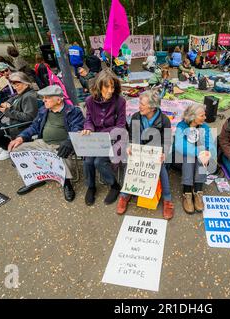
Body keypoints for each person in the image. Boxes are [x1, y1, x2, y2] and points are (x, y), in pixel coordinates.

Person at [8, 85, 84, 202]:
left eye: (47, 98)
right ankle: (35, 179)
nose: (43, 100)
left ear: (58, 100)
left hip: (61, 145)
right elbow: (34, 126)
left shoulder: (73, 111)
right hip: (43, 142)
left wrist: (69, 141)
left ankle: (66, 183)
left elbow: (77, 129)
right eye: (43, 98)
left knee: (62, 155)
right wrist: (21, 137)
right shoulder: (44, 110)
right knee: (16, 150)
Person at [116, 90, 175, 219]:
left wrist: (164, 152)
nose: (139, 106)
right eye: (139, 103)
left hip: (155, 152)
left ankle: (167, 199)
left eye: (142, 104)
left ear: (153, 107)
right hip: (140, 150)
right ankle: (125, 195)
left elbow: (167, 140)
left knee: (161, 168)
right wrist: (131, 146)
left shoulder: (164, 120)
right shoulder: (136, 117)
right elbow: (132, 136)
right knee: (129, 163)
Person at [82, 70, 126, 206]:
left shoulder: (120, 101)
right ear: (99, 86)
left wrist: (102, 133)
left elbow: (121, 126)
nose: (110, 90)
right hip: (95, 139)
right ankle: (91, 186)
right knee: (88, 161)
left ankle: (114, 185)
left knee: (98, 162)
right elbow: (88, 119)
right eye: (107, 87)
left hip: (114, 139)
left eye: (112, 87)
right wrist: (88, 128)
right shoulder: (90, 101)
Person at [0, 72, 39, 161]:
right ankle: (4, 143)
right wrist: (8, 103)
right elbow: (14, 97)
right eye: (13, 84)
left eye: (17, 84)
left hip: (19, 126)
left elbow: (29, 117)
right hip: (14, 120)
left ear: (25, 84)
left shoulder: (29, 97)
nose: (14, 87)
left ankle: (7, 148)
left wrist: (8, 111)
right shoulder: (23, 92)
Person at [174, 103, 217, 214]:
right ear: (193, 116)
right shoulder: (182, 126)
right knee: (189, 158)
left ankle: (198, 191)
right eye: (202, 115)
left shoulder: (205, 127)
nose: (205, 117)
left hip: (199, 158)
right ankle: (187, 192)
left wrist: (207, 154)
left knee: (202, 158)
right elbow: (180, 145)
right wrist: (200, 152)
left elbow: (210, 145)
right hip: (182, 159)